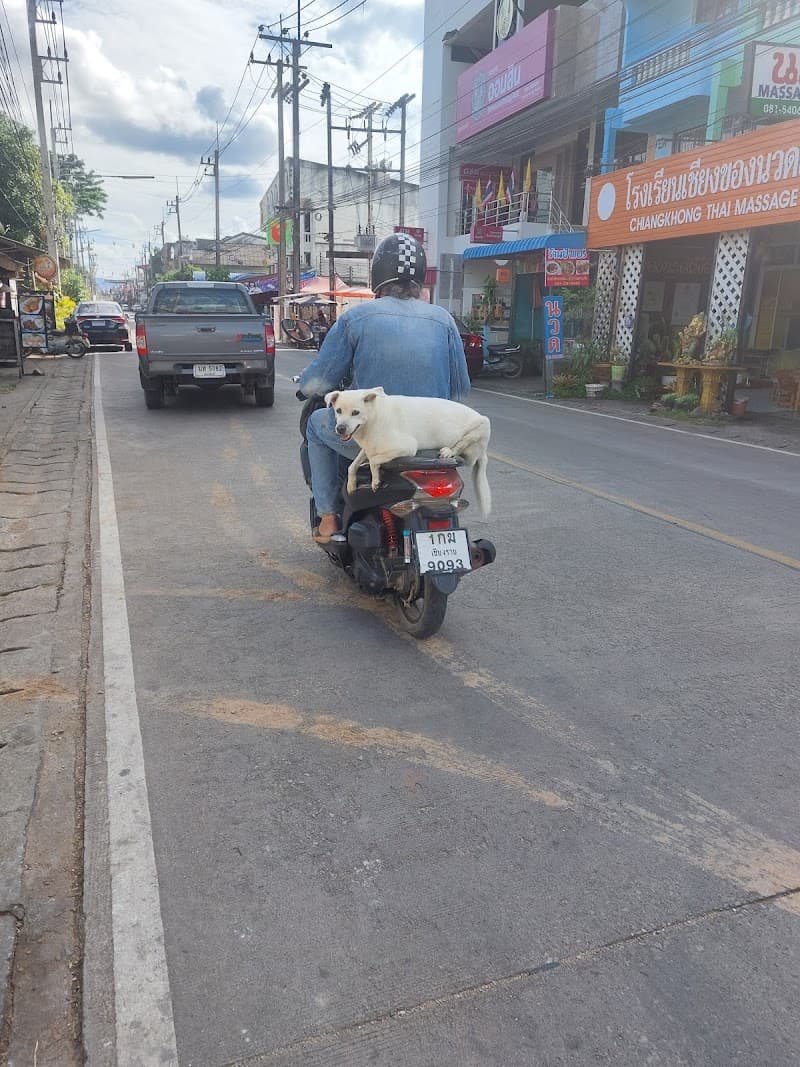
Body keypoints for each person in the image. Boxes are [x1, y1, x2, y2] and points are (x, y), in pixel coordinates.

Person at [299, 232, 470, 542]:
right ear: (418, 278)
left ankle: (327, 519)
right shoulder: (443, 320)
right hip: (434, 442)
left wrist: (307, 386)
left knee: (315, 426)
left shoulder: (357, 318)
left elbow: (318, 382)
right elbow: (460, 392)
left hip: (384, 440)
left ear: (378, 276)